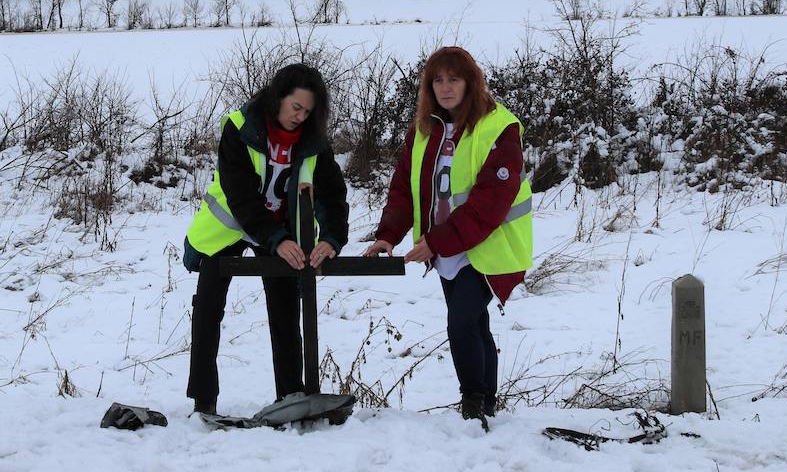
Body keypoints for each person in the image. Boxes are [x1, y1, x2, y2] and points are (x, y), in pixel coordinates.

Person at [364, 46, 532, 425]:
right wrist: (389, 234)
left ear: (471, 82)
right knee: (474, 324)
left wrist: (436, 242)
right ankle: (488, 403)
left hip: (490, 247)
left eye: (454, 78)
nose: (445, 87)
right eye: (437, 80)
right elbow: (405, 189)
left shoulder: (499, 129)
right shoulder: (425, 131)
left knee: (461, 322)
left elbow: (490, 204)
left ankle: (472, 403)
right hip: (447, 250)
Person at [183, 63, 349, 415]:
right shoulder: (240, 128)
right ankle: (204, 400)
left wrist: (333, 238)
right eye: (295, 107)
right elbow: (241, 195)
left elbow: (333, 194)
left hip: (281, 231)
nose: (301, 117)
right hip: (228, 227)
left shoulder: (314, 141)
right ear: (278, 98)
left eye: (308, 111)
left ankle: (290, 396)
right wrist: (275, 238)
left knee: (286, 309)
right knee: (209, 307)